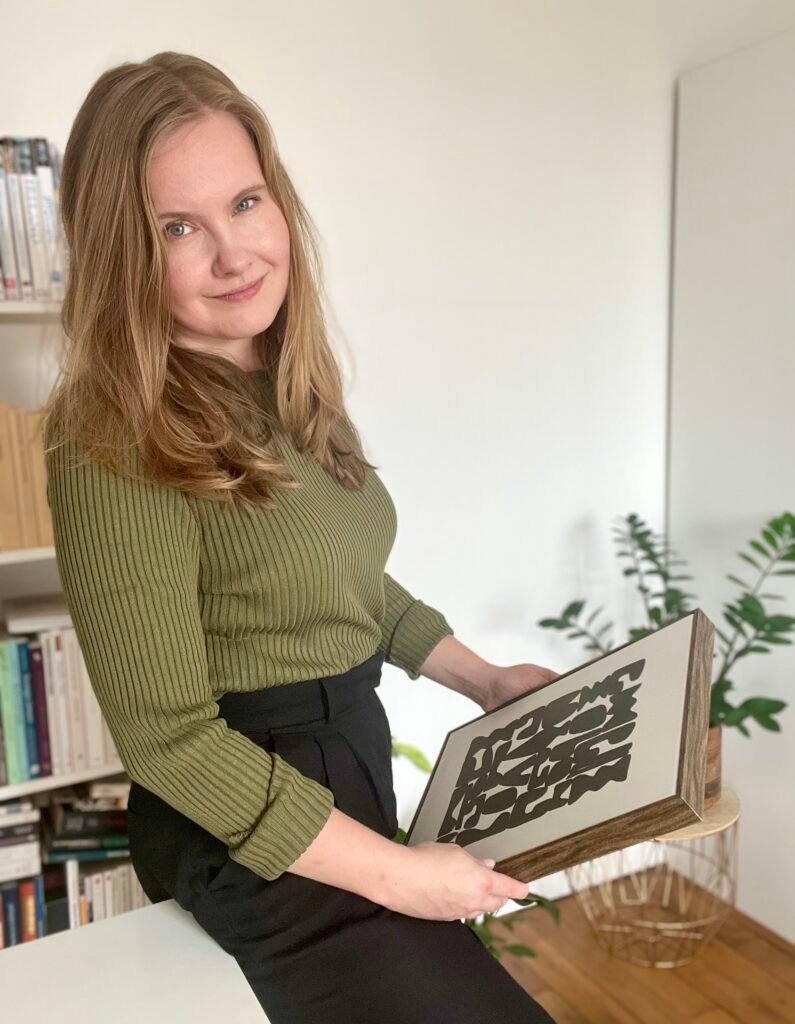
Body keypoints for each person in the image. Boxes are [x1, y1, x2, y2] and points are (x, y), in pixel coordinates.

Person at [42, 51, 559, 1024]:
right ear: (121, 249)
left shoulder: (289, 383)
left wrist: (482, 680)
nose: (233, 254)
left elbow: (349, 579)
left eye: (245, 203)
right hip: (239, 806)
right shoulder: (108, 434)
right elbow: (171, 743)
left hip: (346, 760)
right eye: (177, 226)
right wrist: (399, 878)